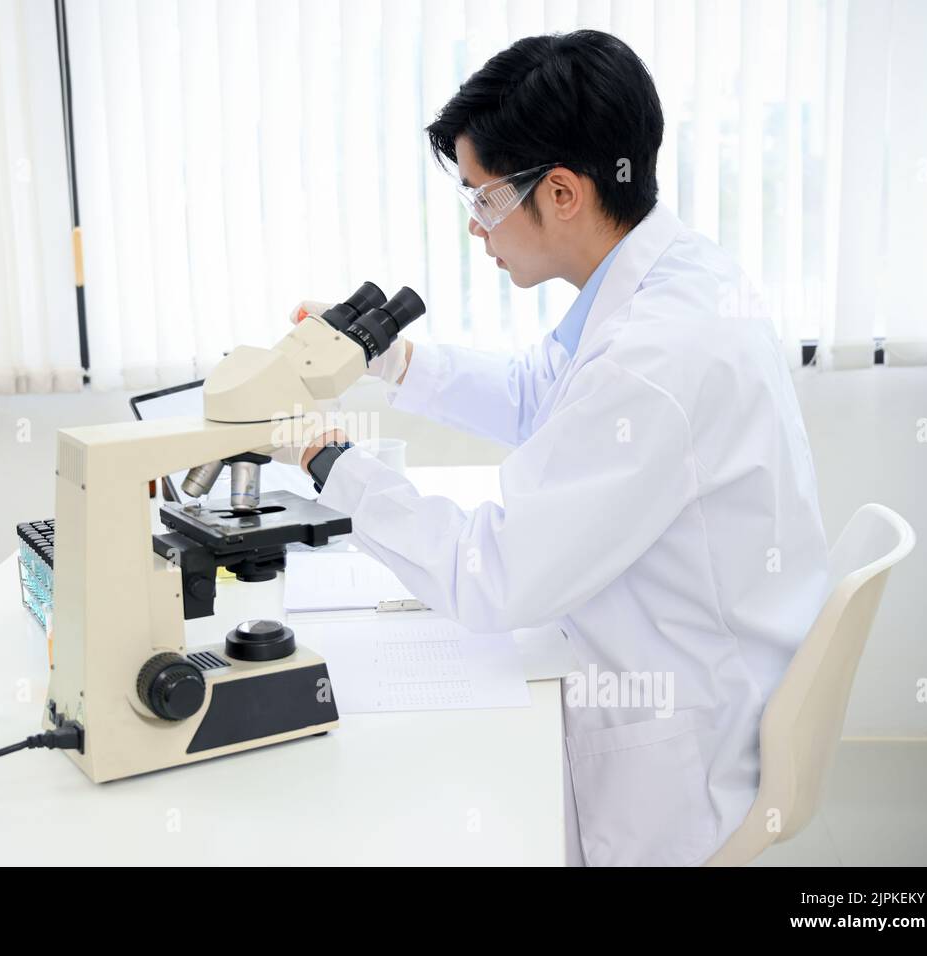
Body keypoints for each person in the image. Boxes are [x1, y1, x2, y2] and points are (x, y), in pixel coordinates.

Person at [289, 30, 829, 866]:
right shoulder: (671, 275)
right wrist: (389, 358)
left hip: (680, 760)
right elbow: (540, 394)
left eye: (483, 199)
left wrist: (334, 469)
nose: (477, 229)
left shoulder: (656, 356)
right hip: (687, 664)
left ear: (566, 193)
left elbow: (492, 575)